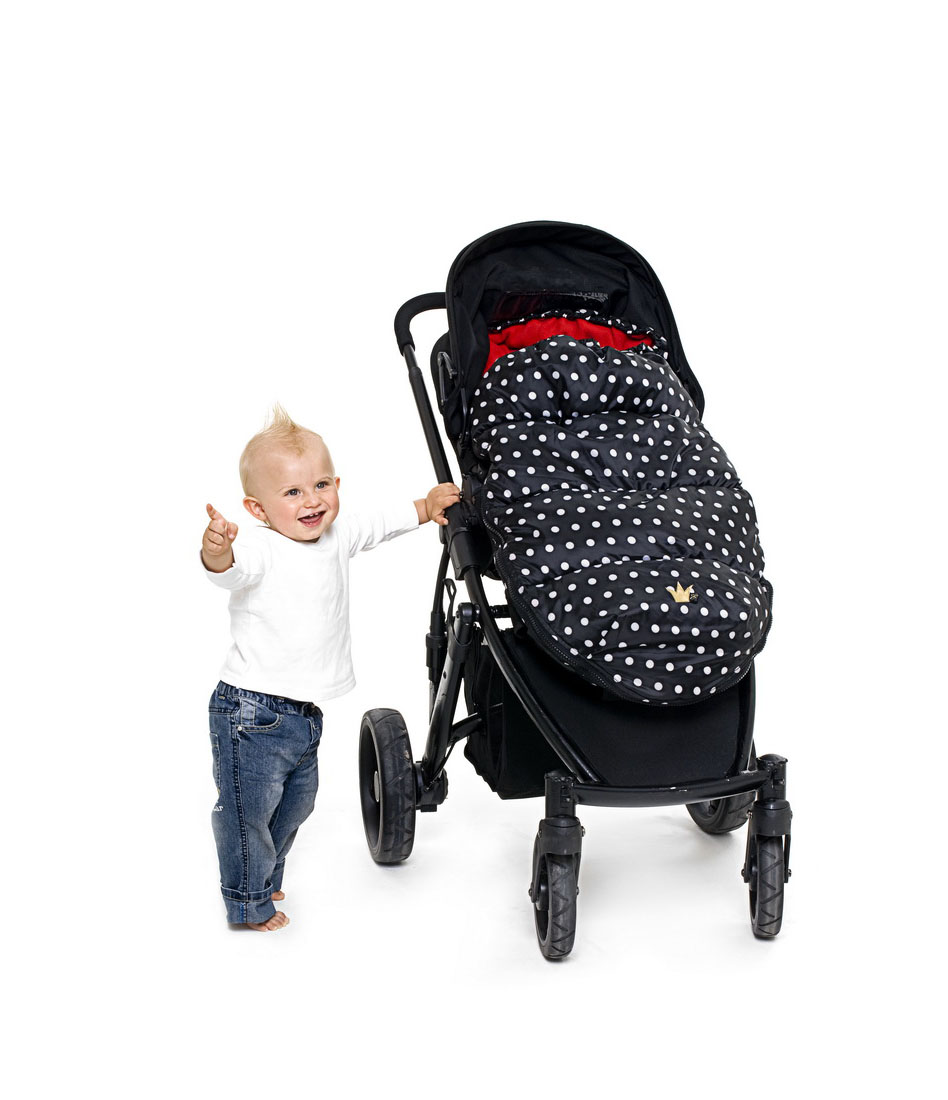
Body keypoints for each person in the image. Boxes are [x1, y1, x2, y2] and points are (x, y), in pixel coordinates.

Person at [202, 405, 459, 930]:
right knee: (247, 814)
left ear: (337, 484)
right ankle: (248, 903)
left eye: (321, 484)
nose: (312, 500)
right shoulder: (260, 547)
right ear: (257, 508)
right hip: (250, 712)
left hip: (301, 714)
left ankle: (265, 878)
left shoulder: (335, 536)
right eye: (292, 492)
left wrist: (425, 505)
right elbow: (229, 572)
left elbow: (380, 524)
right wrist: (218, 550)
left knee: (297, 804)